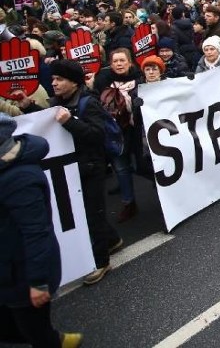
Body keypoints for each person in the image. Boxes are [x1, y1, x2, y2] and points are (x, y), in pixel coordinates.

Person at [15, 60, 123, 286]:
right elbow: (46, 123)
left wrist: (70, 122)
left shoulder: (88, 103)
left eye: (59, 79)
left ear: (73, 83)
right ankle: (112, 239)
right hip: (74, 166)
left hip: (91, 167)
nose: (53, 83)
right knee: (87, 210)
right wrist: (27, 106)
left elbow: (96, 135)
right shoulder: (57, 103)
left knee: (91, 213)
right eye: (53, 79)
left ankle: (101, 262)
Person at [0, 113, 83, 348]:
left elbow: (37, 233)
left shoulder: (19, 178)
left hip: (20, 275)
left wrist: (38, 283)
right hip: (8, 271)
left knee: (34, 331)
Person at [91, 48, 142, 223]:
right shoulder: (103, 81)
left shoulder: (140, 79)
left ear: (130, 62)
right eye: (115, 61)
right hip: (115, 132)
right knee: (120, 167)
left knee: (143, 163)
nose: (119, 64)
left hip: (138, 130)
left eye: (122, 60)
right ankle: (129, 203)